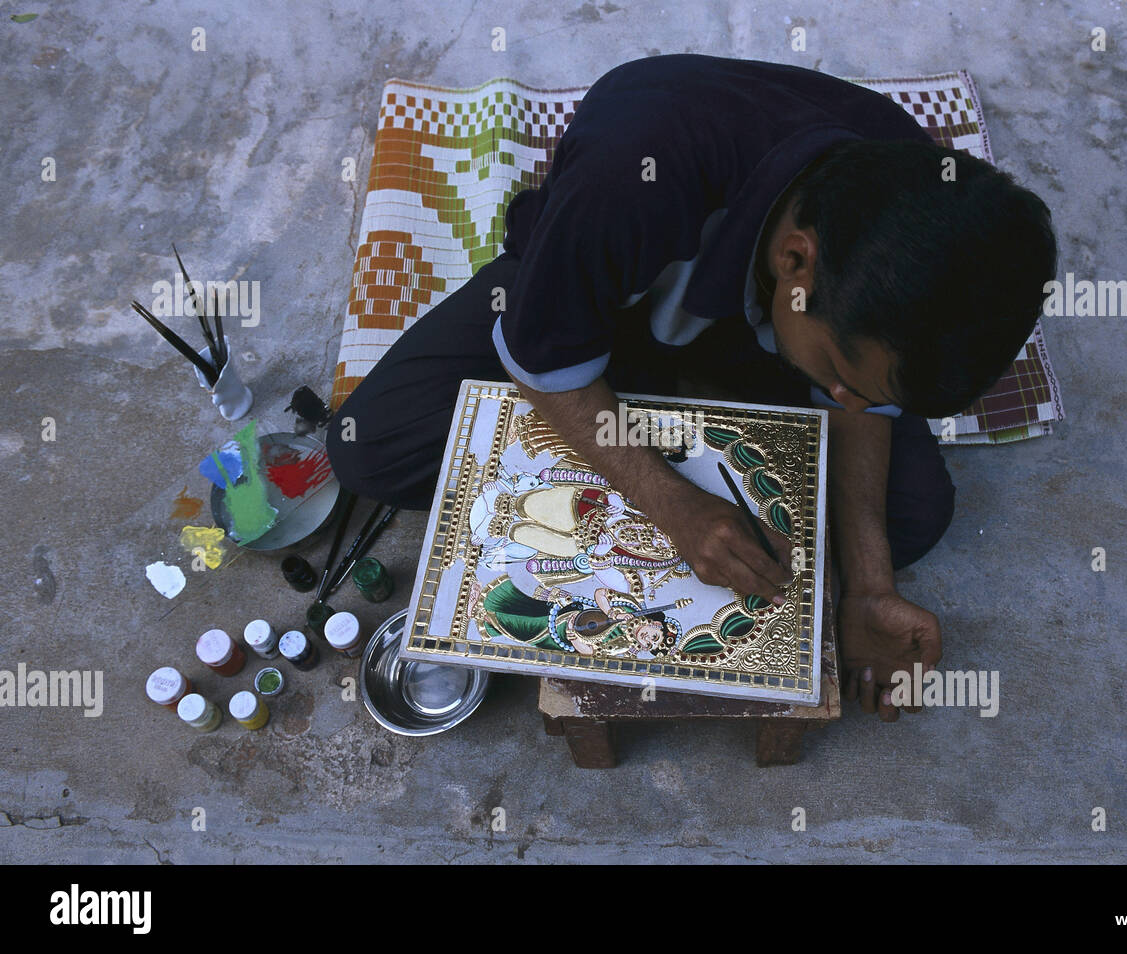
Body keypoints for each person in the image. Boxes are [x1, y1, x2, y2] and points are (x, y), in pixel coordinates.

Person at [327, 54, 1057, 721]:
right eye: (842, 378)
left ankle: (679, 387)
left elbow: (869, 396)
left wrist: (868, 585)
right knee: (374, 449)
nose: (852, 406)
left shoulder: (919, 200)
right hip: (607, 301)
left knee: (913, 516)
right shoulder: (630, 177)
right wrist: (676, 505)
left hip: (759, 327)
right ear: (797, 261)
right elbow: (543, 364)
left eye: (865, 393)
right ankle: (650, 382)